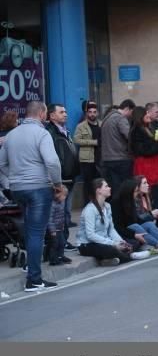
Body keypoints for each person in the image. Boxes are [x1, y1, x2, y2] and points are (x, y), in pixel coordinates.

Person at [0, 101, 62, 291]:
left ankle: (30, 266)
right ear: (42, 113)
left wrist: (10, 182)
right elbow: (51, 161)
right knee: (36, 233)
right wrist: (58, 184)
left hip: (18, 188)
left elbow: (1, 163)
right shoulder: (42, 133)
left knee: (29, 229)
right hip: (38, 187)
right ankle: (34, 279)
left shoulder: (12, 135)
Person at [76, 178, 149, 265]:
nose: (109, 188)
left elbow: (111, 229)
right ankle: (131, 257)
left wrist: (121, 241)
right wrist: (113, 243)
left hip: (104, 241)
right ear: (98, 191)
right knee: (111, 249)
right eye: (106, 186)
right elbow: (90, 235)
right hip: (87, 245)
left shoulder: (107, 206)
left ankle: (108, 260)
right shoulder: (90, 210)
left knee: (132, 243)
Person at [112, 176, 158, 255]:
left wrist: (151, 217)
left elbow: (136, 219)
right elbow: (118, 226)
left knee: (148, 224)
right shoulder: (116, 203)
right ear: (129, 192)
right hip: (124, 231)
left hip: (133, 227)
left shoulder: (131, 200)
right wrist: (134, 234)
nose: (136, 194)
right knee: (136, 226)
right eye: (135, 192)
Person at [45, 104, 80, 238]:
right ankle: (60, 243)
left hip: (70, 178)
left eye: (65, 112)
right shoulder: (50, 132)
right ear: (52, 115)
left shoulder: (65, 130)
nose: (65, 114)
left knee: (66, 212)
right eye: (61, 112)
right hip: (60, 179)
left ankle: (63, 241)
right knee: (60, 213)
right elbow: (53, 158)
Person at [129, 105, 158, 213]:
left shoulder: (150, 127)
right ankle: (151, 217)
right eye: (146, 113)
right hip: (145, 166)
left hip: (155, 165)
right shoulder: (136, 131)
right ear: (139, 116)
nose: (148, 115)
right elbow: (143, 150)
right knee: (148, 194)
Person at [101, 99, 136, 193]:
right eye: (132, 112)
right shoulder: (120, 118)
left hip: (107, 159)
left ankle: (115, 207)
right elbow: (129, 136)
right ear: (127, 108)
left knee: (114, 190)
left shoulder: (106, 118)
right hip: (121, 159)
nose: (131, 116)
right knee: (125, 189)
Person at [74, 101, 102, 198]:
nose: (92, 114)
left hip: (100, 158)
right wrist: (93, 142)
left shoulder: (101, 124)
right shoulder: (81, 126)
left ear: (97, 113)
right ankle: (88, 204)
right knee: (88, 184)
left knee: (99, 183)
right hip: (87, 159)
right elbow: (76, 140)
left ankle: (99, 202)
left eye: (94, 112)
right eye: (90, 112)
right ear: (87, 113)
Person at [45, 185, 71, 266]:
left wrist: (63, 225)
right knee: (54, 244)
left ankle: (60, 256)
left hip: (60, 227)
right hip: (53, 229)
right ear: (57, 194)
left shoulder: (61, 202)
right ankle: (53, 258)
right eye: (64, 195)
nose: (65, 198)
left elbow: (62, 214)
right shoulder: (52, 205)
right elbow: (49, 218)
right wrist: (52, 230)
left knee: (62, 242)